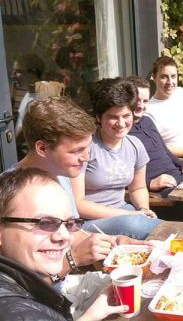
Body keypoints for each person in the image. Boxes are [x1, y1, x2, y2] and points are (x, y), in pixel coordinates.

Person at [13, 96, 152, 278]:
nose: (86, 157)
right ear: (42, 148)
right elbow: (19, 283)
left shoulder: (60, 174)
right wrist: (74, 259)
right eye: (76, 150)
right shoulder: (13, 194)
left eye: (86, 148)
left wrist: (113, 243)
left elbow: (72, 233)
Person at [0, 167, 128, 320]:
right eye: (45, 223)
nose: (65, 236)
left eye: (69, 223)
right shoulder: (14, 311)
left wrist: (90, 316)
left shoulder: (20, 280)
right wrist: (73, 260)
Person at [71, 79, 161, 239]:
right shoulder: (86, 147)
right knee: (134, 225)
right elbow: (78, 203)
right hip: (88, 220)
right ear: (98, 117)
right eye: (113, 117)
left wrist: (143, 209)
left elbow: (137, 188)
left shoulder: (135, 145)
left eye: (126, 116)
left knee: (145, 225)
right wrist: (126, 215)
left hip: (126, 212)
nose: (121, 123)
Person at [127, 76, 183, 197]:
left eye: (145, 101)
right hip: (164, 191)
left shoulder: (147, 121)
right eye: (137, 100)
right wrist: (149, 183)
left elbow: (164, 150)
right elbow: (115, 177)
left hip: (180, 177)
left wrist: (182, 165)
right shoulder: (121, 132)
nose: (141, 105)